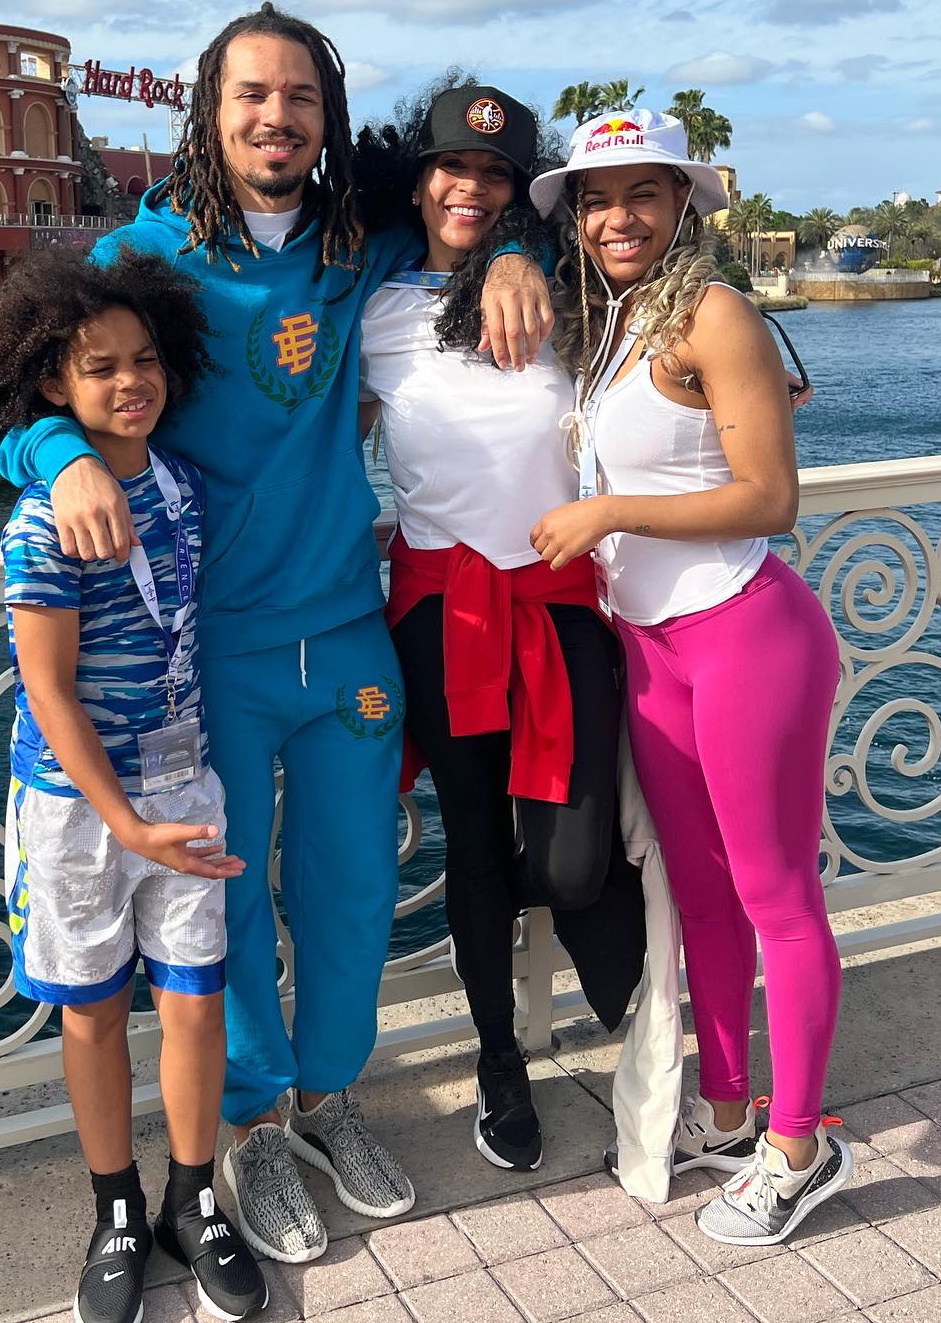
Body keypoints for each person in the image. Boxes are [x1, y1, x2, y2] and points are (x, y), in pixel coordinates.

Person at [0, 2, 552, 1264]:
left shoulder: (365, 240)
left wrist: (517, 253)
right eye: (252, 94)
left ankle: (326, 1100)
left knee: (351, 891)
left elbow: (489, 207)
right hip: (211, 660)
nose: (277, 117)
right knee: (229, 918)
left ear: (327, 118)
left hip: (347, 627)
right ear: (210, 108)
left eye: (300, 97)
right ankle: (245, 1126)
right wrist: (65, 453)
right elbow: (16, 392)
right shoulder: (146, 252)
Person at [527, 109, 849, 1244]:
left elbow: (771, 498)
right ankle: (726, 1109)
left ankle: (800, 1142)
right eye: (598, 200)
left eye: (643, 196)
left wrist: (611, 510)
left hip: (745, 635)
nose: (619, 218)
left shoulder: (715, 317)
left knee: (777, 897)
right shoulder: (611, 324)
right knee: (702, 897)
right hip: (654, 651)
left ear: (684, 207)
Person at [0, 249, 268, 1323]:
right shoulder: (45, 518)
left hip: (186, 785)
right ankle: (117, 1210)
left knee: (195, 1001)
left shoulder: (176, 485)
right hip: (79, 808)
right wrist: (120, 819)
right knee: (91, 1013)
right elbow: (46, 691)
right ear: (55, 384)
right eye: (100, 368)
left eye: (146, 362)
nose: (131, 383)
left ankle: (194, 1199)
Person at [353, 80, 646, 1172]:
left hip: (561, 601)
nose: (470, 187)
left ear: (525, 196)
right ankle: (498, 1063)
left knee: (575, 863)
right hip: (439, 611)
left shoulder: (567, 289)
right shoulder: (373, 309)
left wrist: (523, 249)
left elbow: (669, 343)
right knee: (475, 849)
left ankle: (651, 1037)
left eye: (499, 177)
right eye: (452, 168)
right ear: (416, 177)